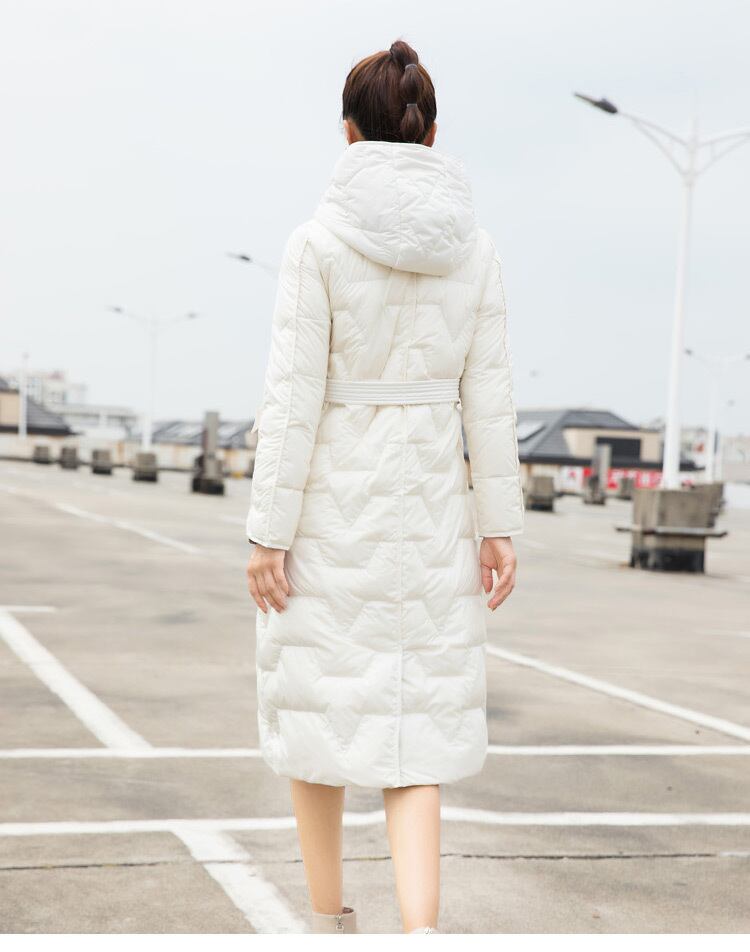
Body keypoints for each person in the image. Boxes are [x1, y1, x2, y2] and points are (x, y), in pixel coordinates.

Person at [245, 38, 524, 935]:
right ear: (431, 133)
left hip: (330, 512)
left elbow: (292, 400)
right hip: (432, 512)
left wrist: (267, 532)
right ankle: (422, 933)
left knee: (317, 714)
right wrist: (498, 526)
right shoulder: (475, 251)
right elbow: (491, 401)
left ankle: (329, 920)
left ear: (347, 132)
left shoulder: (316, 244)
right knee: (418, 729)